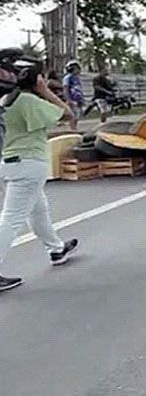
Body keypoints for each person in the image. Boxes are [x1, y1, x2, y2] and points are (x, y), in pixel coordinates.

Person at [0, 64, 79, 292]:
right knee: (12, 219)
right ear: (36, 81)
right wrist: (44, 90)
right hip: (28, 164)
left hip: (10, 163)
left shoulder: (6, 101)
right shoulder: (28, 101)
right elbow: (68, 113)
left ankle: (55, 249)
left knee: (38, 209)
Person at [62, 60, 84, 131]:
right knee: (73, 116)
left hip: (77, 99)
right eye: (77, 68)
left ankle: (75, 128)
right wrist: (68, 100)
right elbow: (65, 88)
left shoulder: (76, 78)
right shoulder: (68, 77)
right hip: (72, 99)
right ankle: (73, 130)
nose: (78, 70)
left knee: (77, 116)